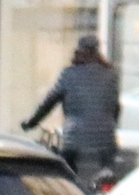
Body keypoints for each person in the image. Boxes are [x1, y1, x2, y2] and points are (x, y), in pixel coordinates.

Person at [21, 35, 120, 187]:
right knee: (108, 172)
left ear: (78, 52)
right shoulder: (111, 74)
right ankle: (106, 186)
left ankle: (72, 192)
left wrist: (31, 123)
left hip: (74, 138)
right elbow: (116, 107)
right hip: (106, 139)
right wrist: (110, 124)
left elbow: (48, 103)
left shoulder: (68, 75)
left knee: (67, 174)